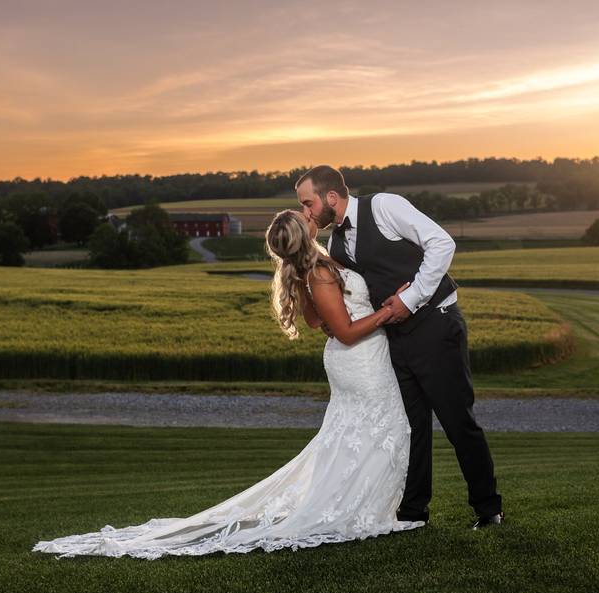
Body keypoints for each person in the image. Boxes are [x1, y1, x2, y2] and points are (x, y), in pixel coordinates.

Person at [31, 209, 422, 559]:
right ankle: (359, 512)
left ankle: (366, 507)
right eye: (304, 215)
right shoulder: (318, 273)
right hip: (360, 359)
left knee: (358, 433)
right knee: (381, 428)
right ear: (305, 235)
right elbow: (346, 332)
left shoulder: (313, 269)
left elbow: (318, 323)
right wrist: (390, 309)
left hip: (358, 361)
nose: (309, 214)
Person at [295, 165, 504, 529]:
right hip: (391, 339)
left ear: (331, 197)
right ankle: (413, 513)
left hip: (435, 326)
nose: (306, 212)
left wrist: (413, 299)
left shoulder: (385, 207)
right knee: (411, 427)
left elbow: (442, 243)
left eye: (308, 203)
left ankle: (488, 510)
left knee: (458, 422)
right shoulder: (335, 243)